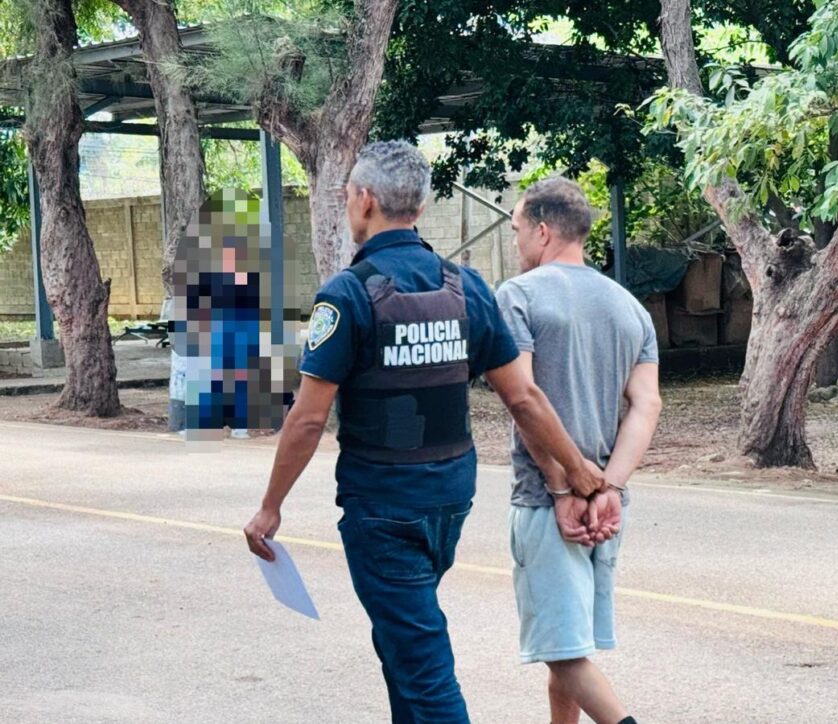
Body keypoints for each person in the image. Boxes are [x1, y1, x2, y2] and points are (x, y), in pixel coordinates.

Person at [243, 141, 605, 724]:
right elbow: (524, 397)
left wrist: (270, 508)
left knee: (422, 663)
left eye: (347, 198)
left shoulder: (348, 295)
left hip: (384, 507)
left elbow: (309, 418)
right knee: (403, 643)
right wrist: (582, 470)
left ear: (364, 201)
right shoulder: (466, 288)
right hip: (448, 498)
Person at [496, 177, 662, 724]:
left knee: (560, 650)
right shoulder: (629, 306)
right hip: (606, 504)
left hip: (552, 501)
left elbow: (524, 398)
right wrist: (609, 486)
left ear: (542, 231)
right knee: (569, 644)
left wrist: (566, 484)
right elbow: (646, 405)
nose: (517, 240)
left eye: (518, 228)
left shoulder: (516, 296)